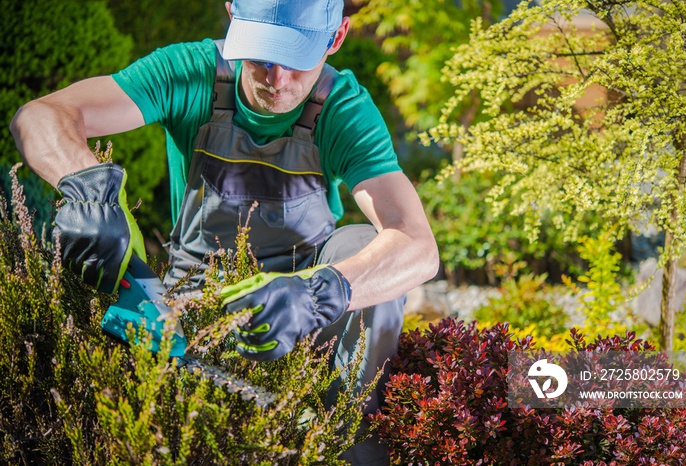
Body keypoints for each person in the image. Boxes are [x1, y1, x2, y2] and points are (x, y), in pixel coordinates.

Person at [10, 0, 439, 463]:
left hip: (300, 311)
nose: (276, 80)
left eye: (296, 60)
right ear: (233, 17)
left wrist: (318, 294)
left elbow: (417, 246)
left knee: (360, 243)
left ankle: (354, 444)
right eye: (261, 55)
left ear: (335, 39)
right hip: (191, 298)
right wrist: (87, 188)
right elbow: (39, 116)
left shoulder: (343, 111)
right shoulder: (191, 73)